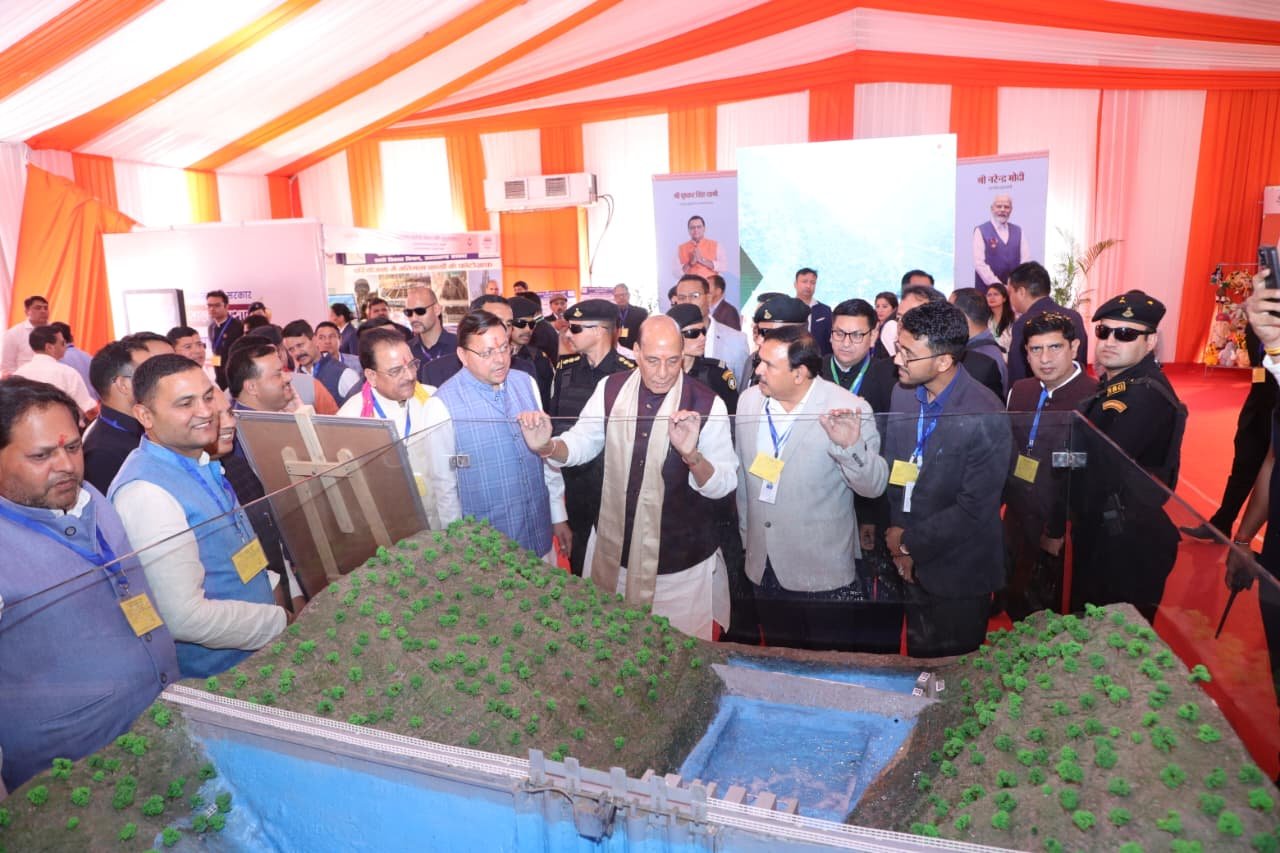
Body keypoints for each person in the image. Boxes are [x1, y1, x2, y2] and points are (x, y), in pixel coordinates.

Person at [0, 378, 179, 792]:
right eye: (41, 455)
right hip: (73, 774)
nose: (65, 465)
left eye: (73, 447)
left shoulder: (89, 497)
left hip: (159, 723)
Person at [519, 316, 738, 639]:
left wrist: (691, 455)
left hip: (679, 566)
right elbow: (581, 442)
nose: (662, 372)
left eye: (672, 361)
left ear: (683, 355)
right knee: (612, 647)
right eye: (652, 360)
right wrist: (547, 447)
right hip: (613, 553)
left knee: (678, 655)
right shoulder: (611, 389)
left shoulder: (706, 403)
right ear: (635, 351)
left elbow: (724, 485)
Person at [109, 355, 286, 679]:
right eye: (185, 404)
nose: (205, 412)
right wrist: (279, 622)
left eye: (207, 397)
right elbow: (184, 618)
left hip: (261, 653)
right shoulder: (146, 492)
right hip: (219, 677)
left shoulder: (200, 460)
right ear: (145, 415)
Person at [736, 326, 887, 651]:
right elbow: (744, 484)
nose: (758, 371)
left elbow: (874, 487)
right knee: (779, 659)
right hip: (763, 565)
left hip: (823, 571)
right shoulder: (749, 402)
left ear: (799, 373)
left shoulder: (848, 407)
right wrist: (748, 541)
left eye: (768, 365)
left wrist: (850, 446)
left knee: (828, 665)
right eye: (759, 361)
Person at [882, 301, 1011, 657]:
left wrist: (908, 542)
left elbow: (974, 509)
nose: (897, 360)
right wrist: (899, 541)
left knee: (957, 675)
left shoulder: (984, 412)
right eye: (898, 348)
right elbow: (897, 470)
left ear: (943, 361)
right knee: (919, 664)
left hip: (959, 571)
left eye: (908, 353)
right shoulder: (903, 394)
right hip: (908, 559)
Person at [1071, 290, 1185, 621]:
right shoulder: (1120, 384)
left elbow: (1098, 467)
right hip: (1107, 531)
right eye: (1104, 331)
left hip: (1126, 542)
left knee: (1115, 640)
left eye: (1125, 334)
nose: (1110, 341)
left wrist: (1058, 460)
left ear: (1150, 342)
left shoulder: (1143, 395)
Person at [423, 311, 569, 558]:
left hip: (538, 529)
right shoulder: (441, 405)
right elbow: (444, 483)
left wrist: (558, 514)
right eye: (487, 353)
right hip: (486, 545)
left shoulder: (526, 383)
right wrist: (458, 543)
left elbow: (544, 456)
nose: (500, 359)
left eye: (504, 348)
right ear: (463, 355)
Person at [1002, 312, 1094, 620]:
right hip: (1017, 513)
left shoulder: (1092, 397)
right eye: (1036, 349)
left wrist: (1058, 528)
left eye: (1055, 347)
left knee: (1051, 610)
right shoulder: (1021, 390)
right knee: (1015, 596)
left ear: (1074, 347)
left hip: (1060, 523)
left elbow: (1086, 468)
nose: (1045, 359)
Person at [547, 299, 635, 577]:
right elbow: (555, 434)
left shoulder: (631, 373)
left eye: (575, 328)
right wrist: (558, 511)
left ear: (599, 331)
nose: (567, 334)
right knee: (579, 573)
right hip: (576, 492)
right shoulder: (565, 371)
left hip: (619, 493)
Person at [335, 328, 440, 525]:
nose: (409, 376)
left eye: (412, 365)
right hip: (385, 522)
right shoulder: (351, 417)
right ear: (371, 376)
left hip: (436, 517)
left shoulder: (433, 398)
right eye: (396, 371)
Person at [1183, 318, 1275, 541]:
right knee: (1243, 467)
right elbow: (1258, 365)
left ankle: (1265, 548)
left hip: (1275, 413)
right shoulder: (1259, 318)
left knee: (1274, 479)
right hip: (1258, 407)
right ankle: (1220, 525)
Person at [83, 339, 153, 494]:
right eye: (149, 374)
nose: (158, 380)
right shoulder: (102, 454)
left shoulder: (143, 426)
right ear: (123, 385)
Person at [1006, 261, 1088, 387]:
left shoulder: (1024, 323)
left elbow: (1017, 373)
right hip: (1078, 390)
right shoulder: (1075, 317)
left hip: (1038, 395)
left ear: (1021, 292)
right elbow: (1081, 363)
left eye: (1010, 293)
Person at [673, 274, 750, 388]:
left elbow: (742, 389)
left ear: (709, 298)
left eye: (695, 296)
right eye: (682, 297)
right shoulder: (669, 339)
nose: (688, 302)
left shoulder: (737, 340)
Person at [15, 325, 98, 417]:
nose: (65, 346)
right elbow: (89, 409)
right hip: (63, 424)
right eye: (62, 343)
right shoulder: (67, 373)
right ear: (49, 347)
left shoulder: (19, 374)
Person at [283, 320, 360, 407]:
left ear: (314, 340)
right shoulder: (293, 379)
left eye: (300, 345)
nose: (297, 352)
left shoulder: (344, 374)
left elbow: (361, 409)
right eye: (291, 349)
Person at [950, 287, 1008, 399]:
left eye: (949, 313)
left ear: (962, 317)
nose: (945, 319)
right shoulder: (987, 350)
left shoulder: (982, 358)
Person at [973, 193, 1031, 288]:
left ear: (1011, 210)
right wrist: (1000, 286)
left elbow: (1025, 262)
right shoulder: (980, 230)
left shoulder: (1019, 231)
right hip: (988, 290)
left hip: (1013, 289)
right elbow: (979, 264)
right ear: (992, 208)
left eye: (1006, 207)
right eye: (999, 206)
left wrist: (1014, 285)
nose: (1002, 210)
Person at [510, 295, 555, 408]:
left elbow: (545, 397)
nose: (528, 330)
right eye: (521, 323)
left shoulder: (538, 357)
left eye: (531, 324)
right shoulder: (494, 358)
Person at [405, 285, 457, 379]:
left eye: (420, 311)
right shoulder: (406, 351)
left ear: (437, 309)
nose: (413, 318)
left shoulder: (460, 346)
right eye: (409, 313)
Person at [0, 294, 49, 378]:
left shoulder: (56, 331)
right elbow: (7, 366)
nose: (43, 311)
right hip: (24, 382)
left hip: (52, 380)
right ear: (27, 311)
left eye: (46, 308)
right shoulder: (13, 334)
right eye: (38, 308)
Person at [206, 289, 244, 390]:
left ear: (226, 306)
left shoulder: (238, 326)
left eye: (217, 305)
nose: (212, 309)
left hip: (235, 376)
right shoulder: (211, 327)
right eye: (209, 305)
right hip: (219, 375)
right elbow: (215, 351)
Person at [50, 322, 96, 401]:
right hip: (93, 404)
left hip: (71, 405)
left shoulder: (56, 360)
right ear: (71, 337)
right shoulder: (88, 356)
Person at [794, 267, 833, 356]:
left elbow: (830, 339)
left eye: (812, 283)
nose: (808, 286)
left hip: (819, 358)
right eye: (804, 281)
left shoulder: (825, 310)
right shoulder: (787, 308)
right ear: (795, 284)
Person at [677, 215, 726, 283]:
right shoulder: (681, 248)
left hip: (710, 286)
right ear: (688, 230)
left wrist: (702, 260)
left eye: (699, 227)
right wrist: (690, 263)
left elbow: (723, 267)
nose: (696, 230)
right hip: (690, 286)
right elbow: (677, 273)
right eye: (692, 227)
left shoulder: (716, 245)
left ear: (704, 229)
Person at [613, 284, 649, 350]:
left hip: (635, 350)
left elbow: (645, 334)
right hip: (616, 351)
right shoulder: (610, 314)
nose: (621, 297)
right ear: (614, 298)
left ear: (629, 295)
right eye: (618, 295)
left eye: (623, 294)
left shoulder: (641, 313)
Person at [986, 282, 1014, 354]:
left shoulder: (1014, 319)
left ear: (1004, 298)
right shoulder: (984, 320)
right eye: (989, 295)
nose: (992, 298)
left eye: (996, 294)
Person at [872, 291, 899, 360]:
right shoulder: (876, 326)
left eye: (885, 307)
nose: (880, 310)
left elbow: (895, 355)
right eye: (877, 306)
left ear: (894, 309)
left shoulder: (891, 325)